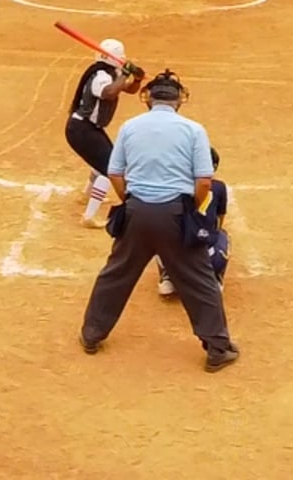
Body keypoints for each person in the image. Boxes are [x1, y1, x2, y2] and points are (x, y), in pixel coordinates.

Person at [79, 70, 239, 373]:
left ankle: (92, 334)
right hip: (176, 214)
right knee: (200, 281)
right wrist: (190, 210)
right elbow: (204, 181)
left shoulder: (129, 127)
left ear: (148, 98)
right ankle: (218, 348)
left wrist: (130, 201)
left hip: (137, 212)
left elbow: (115, 173)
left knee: (116, 274)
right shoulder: (193, 130)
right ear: (179, 100)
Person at [65, 38, 145, 228]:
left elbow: (128, 89)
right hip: (82, 129)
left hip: (88, 128)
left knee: (104, 159)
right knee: (110, 170)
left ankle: (86, 195)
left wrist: (137, 79)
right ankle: (88, 217)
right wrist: (125, 74)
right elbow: (109, 93)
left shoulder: (111, 73)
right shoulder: (100, 75)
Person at [157, 146, 230, 297]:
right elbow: (219, 219)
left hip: (175, 253)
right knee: (222, 235)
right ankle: (214, 278)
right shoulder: (219, 187)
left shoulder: (174, 184)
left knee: (160, 232)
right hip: (206, 255)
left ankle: (167, 276)